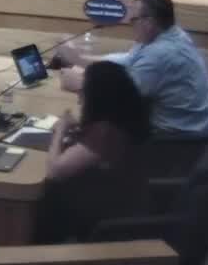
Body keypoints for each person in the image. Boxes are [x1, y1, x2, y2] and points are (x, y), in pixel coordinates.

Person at [57, 0, 208, 135]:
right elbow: (128, 59)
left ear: (149, 22)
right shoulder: (169, 34)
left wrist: (82, 84)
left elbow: (125, 98)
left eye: (134, 20)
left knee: (100, 125)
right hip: (189, 122)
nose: (130, 24)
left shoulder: (160, 54)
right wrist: (80, 59)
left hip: (176, 135)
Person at [34, 61, 151, 243]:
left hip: (101, 210)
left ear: (98, 97)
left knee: (41, 197)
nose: (79, 98)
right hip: (123, 197)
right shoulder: (124, 118)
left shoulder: (104, 132)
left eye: (84, 92)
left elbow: (55, 171)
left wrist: (60, 130)